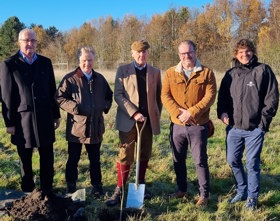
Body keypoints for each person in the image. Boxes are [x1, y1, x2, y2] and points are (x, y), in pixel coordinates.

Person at [217, 39, 279, 210]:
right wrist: (222, 113)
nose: (244, 55)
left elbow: (272, 99)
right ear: (236, 55)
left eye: (248, 51)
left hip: (255, 129)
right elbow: (222, 98)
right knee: (232, 160)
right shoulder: (230, 74)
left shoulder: (263, 70)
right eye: (241, 52)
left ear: (253, 51)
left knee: (252, 163)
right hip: (234, 128)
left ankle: (252, 197)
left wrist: (263, 125)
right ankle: (242, 190)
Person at [0, 28, 61, 193]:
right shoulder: (8, 64)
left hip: (45, 117)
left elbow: (52, 91)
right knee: (25, 158)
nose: (30, 44)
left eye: (33, 40)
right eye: (26, 40)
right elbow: (6, 96)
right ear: (19, 42)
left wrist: (56, 115)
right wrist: (9, 122)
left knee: (47, 156)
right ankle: (27, 191)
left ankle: (47, 190)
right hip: (22, 121)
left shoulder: (45, 62)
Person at [106, 40, 162, 206]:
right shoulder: (123, 70)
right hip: (128, 120)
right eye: (138, 52)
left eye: (144, 52)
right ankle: (120, 188)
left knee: (144, 153)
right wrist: (135, 112)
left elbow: (159, 97)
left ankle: (140, 185)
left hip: (147, 122)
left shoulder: (155, 72)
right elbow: (118, 95)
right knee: (125, 154)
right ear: (132, 53)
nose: (141, 55)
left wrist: (153, 115)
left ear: (148, 53)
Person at [161, 40, 217, 207]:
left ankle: (204, 194)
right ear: (179, 55)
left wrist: (191, 112)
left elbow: (210, 96)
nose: (186, 56)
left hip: (198, 125)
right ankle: (181, 189)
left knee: (200, 160)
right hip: (177, 125)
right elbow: (165, 95)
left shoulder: (207, 73)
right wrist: (179, 113)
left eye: (189, 52)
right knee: (178, 159)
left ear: (195, 52)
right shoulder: (171, 73)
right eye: (183, 53)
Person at [56, 46, 113, 196]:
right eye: (84, 60)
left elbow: (109, 95)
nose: (87, 63)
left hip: (96, 127)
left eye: (90, 60)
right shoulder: (70, 79)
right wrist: (75, 108)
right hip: (77, 128)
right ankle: (71, 185)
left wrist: (104, 106)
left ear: (93, 60)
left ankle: (97, 186)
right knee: (73, 159)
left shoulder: (100, 79)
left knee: (95, 159)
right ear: (79, 60)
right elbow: (60, 98)